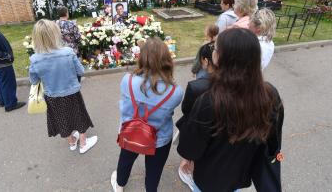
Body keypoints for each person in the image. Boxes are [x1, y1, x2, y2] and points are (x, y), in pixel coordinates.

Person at [177, 28, 284, 192]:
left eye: (215, 48)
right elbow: (273, 141)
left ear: (220, 58)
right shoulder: (270, 94)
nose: (213, 50)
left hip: (209, 178)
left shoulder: (209, 100)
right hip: (241, 173)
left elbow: (190, 146)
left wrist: (187, 158)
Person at [111, 37, 184, 192]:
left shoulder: (127, 81)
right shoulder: (175, 91)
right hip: (159, 137)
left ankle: (119, 184)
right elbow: (169, 111)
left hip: (131, 131)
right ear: (167, 59)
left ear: (142, 58)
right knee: (154, 171)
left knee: (125, 161)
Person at [29, 19, 97, 154]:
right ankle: (83, 143)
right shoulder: (68, 52)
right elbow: (81, 71)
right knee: (78, 115)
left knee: (60, 118)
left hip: (52, 95)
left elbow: (34, 80)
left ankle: (72, 142)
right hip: (71, 91)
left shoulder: (35, 59)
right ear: (55, 34)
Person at [176, 43, 216, 190]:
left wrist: (187, 155)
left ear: (205, 61)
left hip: (199, 136)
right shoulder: (244, 86)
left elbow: (187, 111)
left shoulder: (196, 87)